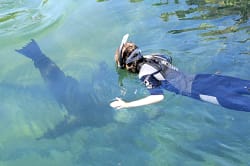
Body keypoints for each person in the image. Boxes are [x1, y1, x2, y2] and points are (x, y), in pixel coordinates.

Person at [110, 34, 250, 112]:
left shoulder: (144, 75)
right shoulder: (157, 57)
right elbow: (166, 58)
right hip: (205, 79)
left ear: (127, 65)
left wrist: (127, 104)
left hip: (200, 91)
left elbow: (157, 97)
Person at [16, 39, 115, 139]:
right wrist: (48, 135)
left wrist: (47, 135)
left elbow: (63, 128)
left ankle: (36, 54)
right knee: (51, 73)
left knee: (53, 73)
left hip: (68, 89)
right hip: (66, 92)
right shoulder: (82, 118)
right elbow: (64, 127)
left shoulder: (86, 114)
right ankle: (36, 55)